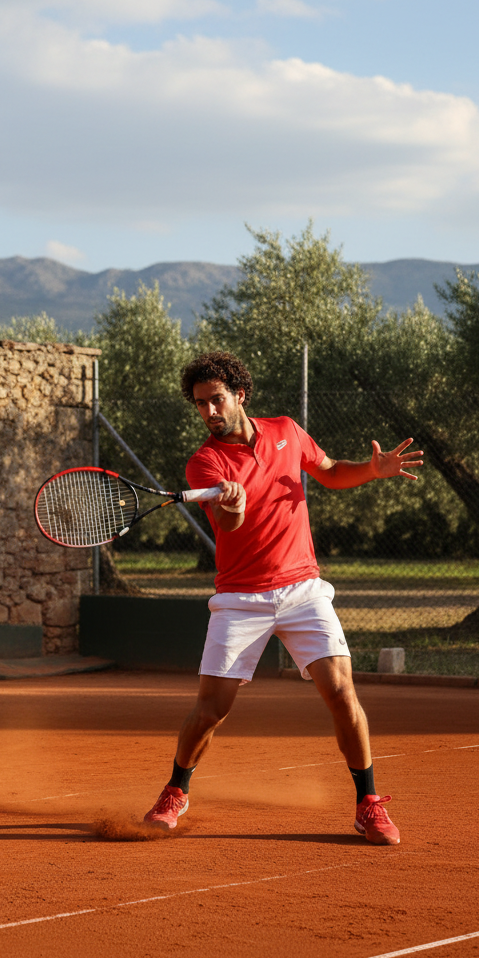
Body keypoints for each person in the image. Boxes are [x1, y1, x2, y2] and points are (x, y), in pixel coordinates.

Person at [142, 351, 423, 844]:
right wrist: (234, 504)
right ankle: (175, 790)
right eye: (200, 404)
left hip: (303, 589)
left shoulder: (288, 432)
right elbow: (227, 527)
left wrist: (372, 470)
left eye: (217, 400)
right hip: (240, 598)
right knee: (211, 710)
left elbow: (332, 471)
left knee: (341, 694)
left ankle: (368, 803)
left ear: (239, 394)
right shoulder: (204, 461)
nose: (209, 412)